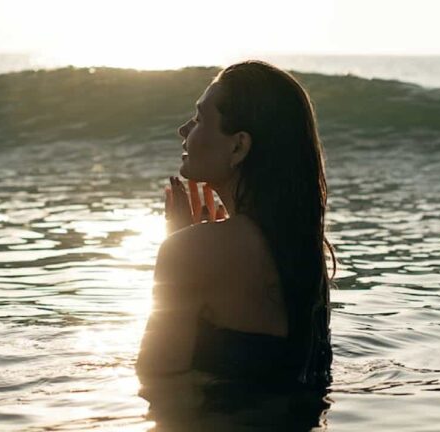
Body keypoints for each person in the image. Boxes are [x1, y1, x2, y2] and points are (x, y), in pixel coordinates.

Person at [135, 60, 335, 391]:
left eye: (199, 119)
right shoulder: (305, 254)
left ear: (238, 146)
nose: (184, 130)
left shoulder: (195, 251)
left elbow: (154, 379)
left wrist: (182, 244)